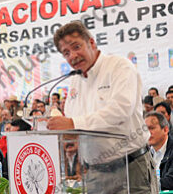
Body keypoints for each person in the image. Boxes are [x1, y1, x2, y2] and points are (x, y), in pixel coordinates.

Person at [48, 21, 156, 193]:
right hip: (95, 173)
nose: (73, 56)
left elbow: (121, 110)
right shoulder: (75, 80)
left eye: (77, 47)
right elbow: (72, 121)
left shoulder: (119, 66)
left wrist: (73, 123)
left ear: (91, 43)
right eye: (66, 53)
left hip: (130, 167)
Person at [145, 111, 173, 190]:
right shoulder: (144, 152)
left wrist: (143, 186)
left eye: (152, 128)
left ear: (165, 130)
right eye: (145, 129)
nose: (148, 133)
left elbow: (170, 181)